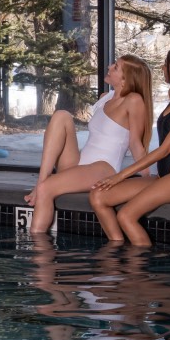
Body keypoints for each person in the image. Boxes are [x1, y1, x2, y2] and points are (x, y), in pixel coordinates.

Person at [90, 46, 170, 245]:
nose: (162, 68)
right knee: (98, 196)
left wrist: (120, 175)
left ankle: (139, 272)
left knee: (126, 215)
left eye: (167, 65)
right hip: (167, 176)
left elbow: (166, 148)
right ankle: (115, 257)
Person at [23, 55, 153, 233]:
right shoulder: (106, 97)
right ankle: (41, 179)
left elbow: (135, 143)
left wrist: (148, 179)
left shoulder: (133, 100)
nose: (109, 67)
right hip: (79, 163)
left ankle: (39, 254)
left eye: (115, 67)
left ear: (126, 78)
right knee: (62, 115)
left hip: (103, 168)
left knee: (46, 189)